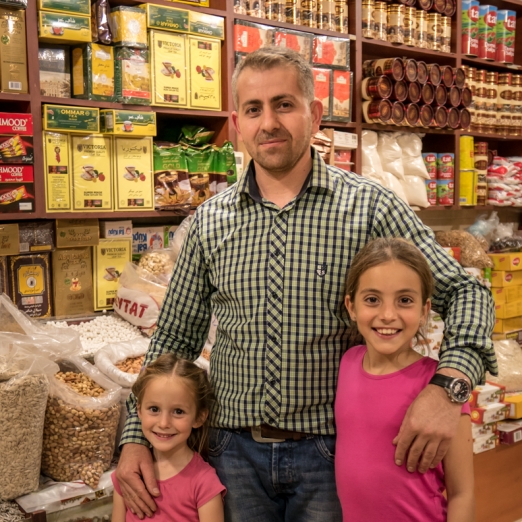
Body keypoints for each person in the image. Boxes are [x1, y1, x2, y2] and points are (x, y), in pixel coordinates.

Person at [116, 47, 496, 522]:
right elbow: (174, 339)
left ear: (314, 114)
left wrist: (448, 389)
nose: (268, 122)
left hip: (333, 456)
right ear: (237, 123)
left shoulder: (371, 208)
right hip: (232, 455)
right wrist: (134, 436)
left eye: (284, 104)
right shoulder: (209, 222)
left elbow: (466, 291)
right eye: (253, 109)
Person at [336, 238, 474, 522]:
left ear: (425, 311)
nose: (388, 315)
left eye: (405, 301)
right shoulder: (348, 362)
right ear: (351, 306)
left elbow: (463, 493)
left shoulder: (439, 388)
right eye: (372, 299)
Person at [111, 354, 225, 522]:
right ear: (139, 411)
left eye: (178, 411)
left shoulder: (204, 483)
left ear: (199, 417)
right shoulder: (129, 475)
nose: (164, 423)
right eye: (154, 409)